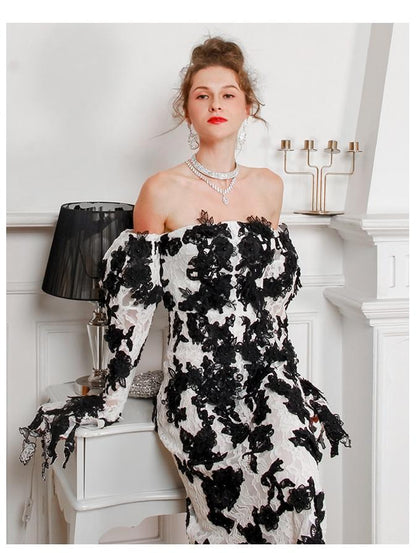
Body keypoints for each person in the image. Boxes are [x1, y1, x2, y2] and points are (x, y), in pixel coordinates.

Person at [19, 36, 351, 544]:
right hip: (199, 385)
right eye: (202, 95)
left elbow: (274, 306)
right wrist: (113, 395)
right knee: (233, 510)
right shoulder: (160, 190)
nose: (216, 103)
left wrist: (293, 383)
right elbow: (132, 309)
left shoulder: (270, 187)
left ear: (247, 106)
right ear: (187, 109)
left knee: (300, 482)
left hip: (267, 378)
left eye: (228, 94)